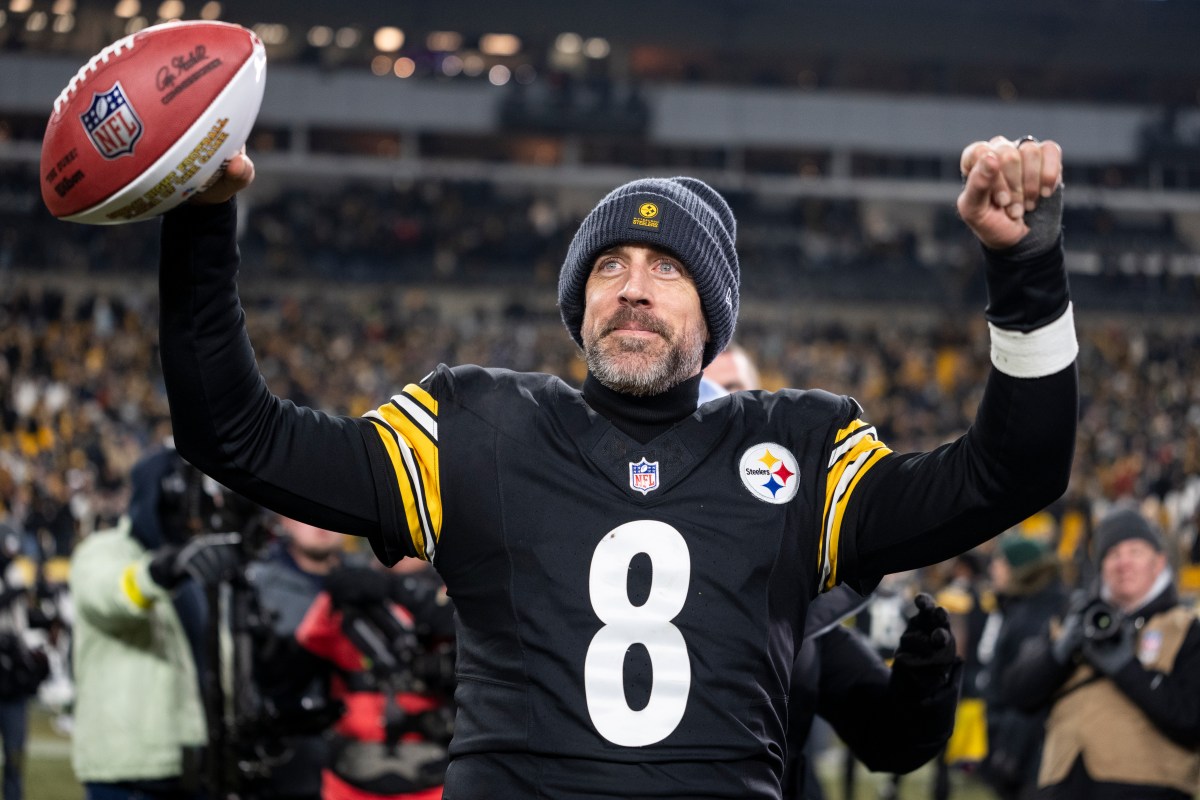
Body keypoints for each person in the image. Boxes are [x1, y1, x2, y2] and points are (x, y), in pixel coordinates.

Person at [152, 134, 1078, 798]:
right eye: (610, 266)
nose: (634, 287)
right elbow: (236, 434)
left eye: (667, 268)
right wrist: (201, 219)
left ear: (713, 318)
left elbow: (1012, 473)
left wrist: (1027, 273)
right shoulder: (475, 424)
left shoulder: (800, 446)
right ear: (579, 303)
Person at [704, 347, 962, 800]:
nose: (718, 402)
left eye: (733, 390)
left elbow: (890, 740)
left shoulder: (798, 591)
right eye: (704, 390)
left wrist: (922, 684)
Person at [68, 447, 242, 800]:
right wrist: (160, 571)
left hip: (195, 766)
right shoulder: (103, 550)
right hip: (130, 774)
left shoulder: (194, 569)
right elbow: (111, 596)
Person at [1004, 507, 1200, 798]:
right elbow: (1017, 693)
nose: (1124, 563)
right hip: (1062, 785)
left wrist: (1126, 669)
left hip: (1150, 789)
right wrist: (1059, 652)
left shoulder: (1185, 627)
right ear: (1101, 568)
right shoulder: (1075, 619)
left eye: (1135, 552)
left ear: (1159, 562)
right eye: (1113, 554)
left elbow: (1192, 721)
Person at [296, 558, 456, 800]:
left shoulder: (458, 588)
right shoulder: (350, 589)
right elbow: (298, 667)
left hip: (437, 777)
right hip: (349, 780)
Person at [247, 516, 348, 800]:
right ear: (284, 520)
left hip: (359, 758)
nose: (322, 520)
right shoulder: (255, 583)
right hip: (287, 762)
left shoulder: (369, 579)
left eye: (333, 509)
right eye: (305, 510)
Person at [977, 535, 1066, 799]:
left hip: (1026, 753)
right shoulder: (1018, 606)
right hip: (1014, 744)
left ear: (1020, 568)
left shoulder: (1037, 615)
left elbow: (1026, 690)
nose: (993, 569)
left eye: (1000, 562)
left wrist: (1007, 742)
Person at [0, 527, 48, 800]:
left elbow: (24, 619)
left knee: (15, 756)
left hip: (12, 680)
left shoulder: (16, 574)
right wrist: (13, 592)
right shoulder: (14, 581)